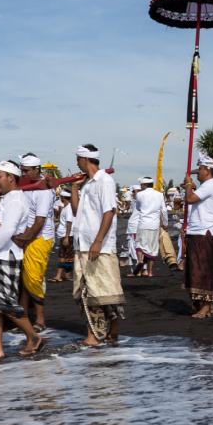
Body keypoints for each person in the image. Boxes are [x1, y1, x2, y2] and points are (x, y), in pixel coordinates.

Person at [0, 161, 44, 359]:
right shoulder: (7, 199)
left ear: (10, 178)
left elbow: (7, 230)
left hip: (3, 256)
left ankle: (33, 337)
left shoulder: (15, 200)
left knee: (5, 303)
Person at [70, 144, 123, 345]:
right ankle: (99, 332)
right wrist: (74, 187)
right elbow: (76, 212)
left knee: (105, 291)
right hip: (82, 244)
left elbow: (109, 211)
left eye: (78, 159)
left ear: (85, 159)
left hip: (99, 245)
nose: (77, 163)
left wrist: (98, 241)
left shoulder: (105, 181)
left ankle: (98, 334)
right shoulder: (87, 184)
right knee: (85, 291)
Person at [12, 153, 55, 332]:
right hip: (26, 237)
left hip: (40, 237)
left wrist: (26, 238)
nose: (23, 174)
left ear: (37, 170)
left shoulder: (43, 190)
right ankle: (24, 319)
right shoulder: (24, 186)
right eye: (21, 171)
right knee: (23, 280)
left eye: (26, 171)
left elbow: (40, 221)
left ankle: (41, 320)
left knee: (33, 278)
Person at [181, 154, 213, 318]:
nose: (198, 172)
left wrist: (189, 184)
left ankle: (206, 306)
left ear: (208, 171)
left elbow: (190, 199)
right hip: (198, 230)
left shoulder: (210, 186)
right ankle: (203, 304)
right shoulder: (208, 186)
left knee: (202, 270)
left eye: (200, 169)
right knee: (195, 269)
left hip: (205, 231)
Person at [133, 176, 167, 277]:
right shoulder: (159, 195)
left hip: (143, 223)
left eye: (141, 185)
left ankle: (140, 261)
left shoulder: (140, 195)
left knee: (139, 244)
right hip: (154, 224)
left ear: (145, 185)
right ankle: (151, 272)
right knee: (152, 248)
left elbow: (138, 208)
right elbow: (164, 211)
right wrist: (166, 224)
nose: (141, 187)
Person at [49, 190, 75, 283]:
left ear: (63, 198)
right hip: (67, 234)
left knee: (63, 256)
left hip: (66, 234)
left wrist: (67, 237)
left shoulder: (68, 208)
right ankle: (68, 274)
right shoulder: (69, 208)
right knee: (69, 256)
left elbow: (69, 222)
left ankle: (58, 275)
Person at [125, 184, 142, 275]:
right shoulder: (136, 202)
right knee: (134, 249)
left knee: (134, 249)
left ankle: (137, 271)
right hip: (133, 228)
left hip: (135, 228)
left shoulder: (140, 202)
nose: (132, 193)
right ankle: (141, 270)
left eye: (134, 191)